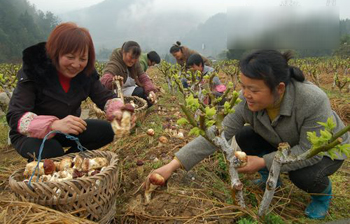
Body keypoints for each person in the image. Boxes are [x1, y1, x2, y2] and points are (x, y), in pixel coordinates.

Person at [145, 50, 349, 219]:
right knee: (244, 136)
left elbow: (309, 151)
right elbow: (218, 134)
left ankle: (321, 195)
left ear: (279, 88)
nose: (245, 94)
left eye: (253, 89)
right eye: (243, 86)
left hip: (324, 152)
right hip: (282, 142)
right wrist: (173, 165)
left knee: (304, 174)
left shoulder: (312, 100)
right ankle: (271, 179)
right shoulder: (246, 100)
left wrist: (261, 162)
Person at [6, 22, 129, 161]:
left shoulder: (85, 73)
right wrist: (53, 124)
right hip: (30, 133)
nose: (76, 65)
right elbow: (16, 115)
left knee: (109, 130)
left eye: (83, 58)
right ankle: (46, 166)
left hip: (66, 128)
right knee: (51, 151)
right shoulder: (35, 71)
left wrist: (119, 111)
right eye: (70, 57)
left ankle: (69, 163)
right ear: (55, 52)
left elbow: (104, 97)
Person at [100, 41, 157, 107]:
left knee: (147, 95)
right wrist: (114, 82)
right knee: (139, 92)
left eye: (135, 58)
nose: (133, 60)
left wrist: (150, 90)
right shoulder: (115, 63)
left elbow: (142, 76)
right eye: (131, 57)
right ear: (123, 52)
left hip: (128, 88)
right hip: (117, 91)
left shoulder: (136, 63)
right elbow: (105, 79)